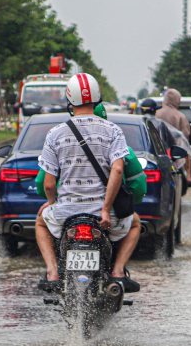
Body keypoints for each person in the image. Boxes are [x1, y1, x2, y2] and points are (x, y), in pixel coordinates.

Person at [35, 73, 140, 293]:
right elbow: (118, 169)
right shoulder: (113, 131)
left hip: (66, 213)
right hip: (103, 216)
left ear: (69, 100)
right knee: (136, 222)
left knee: (40, 222)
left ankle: (53, 274)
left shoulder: (55, 134)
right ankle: (118, 273)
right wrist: (104, 208)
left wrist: (51, 202)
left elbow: (48, 184)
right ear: (98, 98)